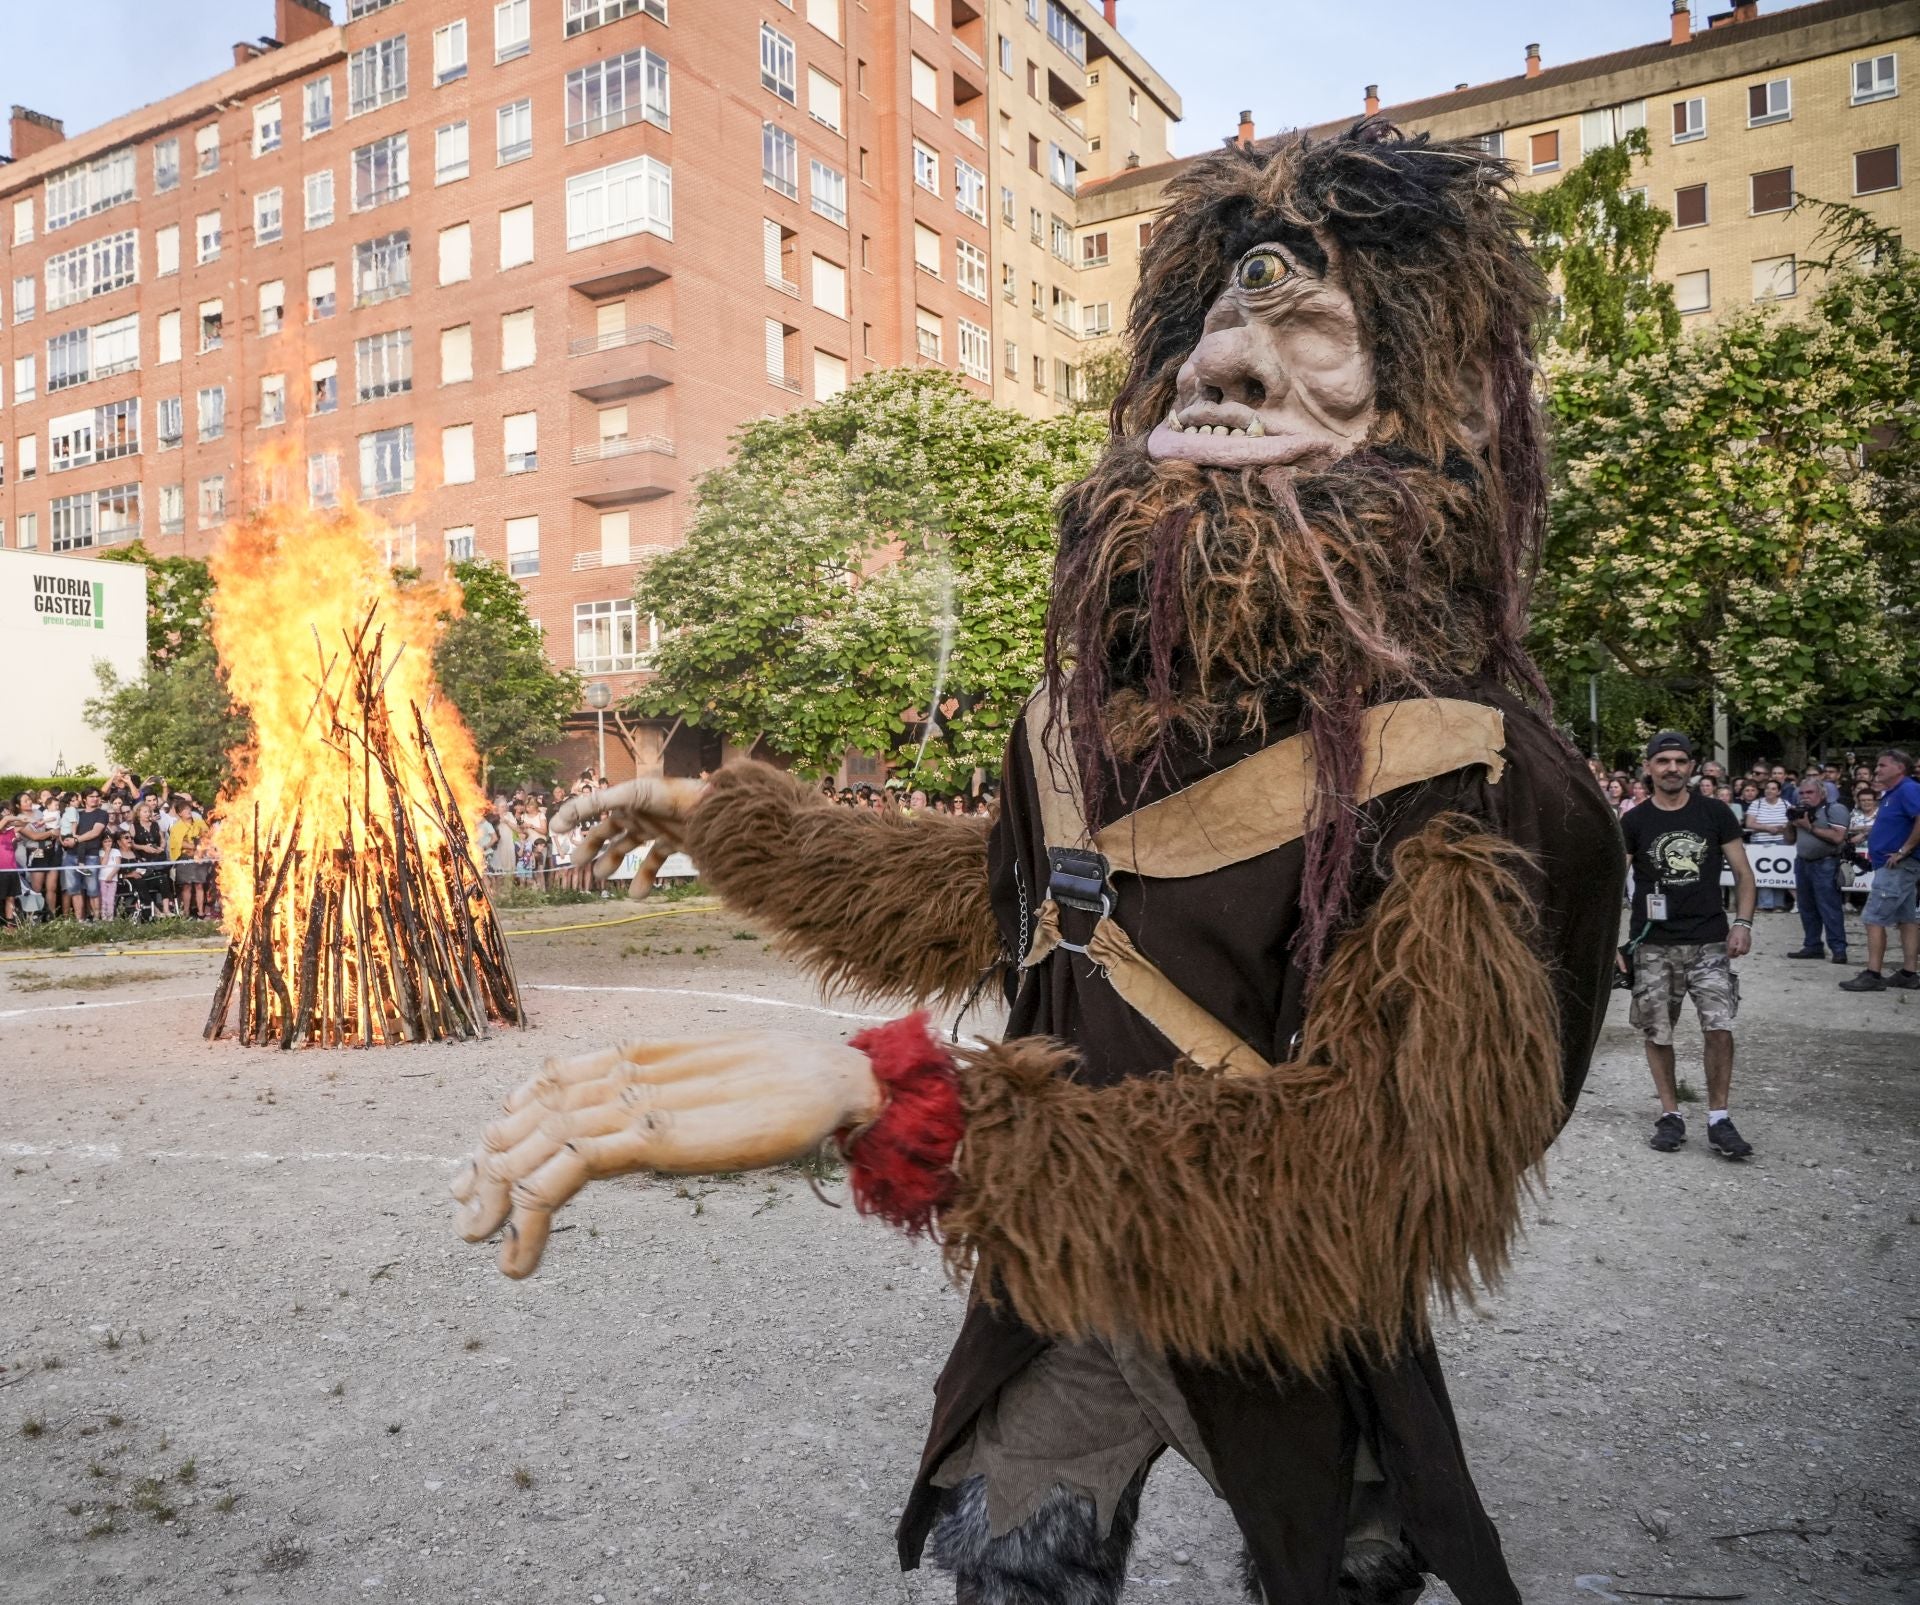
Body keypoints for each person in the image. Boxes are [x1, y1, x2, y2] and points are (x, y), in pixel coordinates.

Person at [457, 127, 1625, 1604]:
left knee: (1339, 1573)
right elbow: (999, 898)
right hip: (1064, 1277)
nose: (1231, 370)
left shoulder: (1476, 773)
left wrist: (907, 1109)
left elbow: (1376, 1177)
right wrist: (719, 819)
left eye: (1310, 334)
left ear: (1424, 407)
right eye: (1212, 339)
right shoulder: (1078, 725)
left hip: (1288, 1321)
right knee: (1008, 1566)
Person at [1619, 732, 1758, 1159]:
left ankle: (1719, 1118)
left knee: (1719, 1026)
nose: (1672, 768)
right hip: (1653, 945)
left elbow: (1744, 873)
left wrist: (1742, 923)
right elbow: (1609, 886)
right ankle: (1670, 1114)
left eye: (1680, 761)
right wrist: (1612, 942)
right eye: (1663, 761)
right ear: (1649, 768)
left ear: (1692, 767)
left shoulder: (1714, 813)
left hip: (1709, 941)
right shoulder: (1634, 821)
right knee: (1658, 1030)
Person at [1839, 748, 1920, 992]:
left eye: (1883, 765)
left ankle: (1873, 974)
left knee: (1873, 918)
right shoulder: (1891, 793)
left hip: (1897, 865)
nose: (1877, 769)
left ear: (1899, 768)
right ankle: (1909, 973)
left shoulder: (1907, 789)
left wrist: (1903, 850)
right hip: (1895, 865)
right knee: (1907, 919)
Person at [1783, 777, 1851, 965]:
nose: (1804, 796)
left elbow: (1838, 838)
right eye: (1802, 793)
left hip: (1826, 863)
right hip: (1803, 863)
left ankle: (1838, 949)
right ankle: (1813, 946)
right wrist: (1791, 821)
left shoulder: (1834, 809)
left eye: (1809, 793)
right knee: (1806, 907)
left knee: (1829, 908)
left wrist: (1809, 827)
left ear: (1822, 793)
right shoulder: (1800, 811)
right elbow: (1789, 839)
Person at [1744, 779, 1790, 912]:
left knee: (1780, 872)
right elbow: (1749, 823)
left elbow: (1791, 822)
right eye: (1767, 788)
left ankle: (1779, 904)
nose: (1769, 791)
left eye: (1773, 788)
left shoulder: (1786, 804)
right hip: (1760, 842)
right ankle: (1765, 904)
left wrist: (1782, 828)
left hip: (1782, 842)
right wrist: (1767, 828)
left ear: (1779, 791)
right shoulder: (1756, 804)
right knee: (1763, 873)